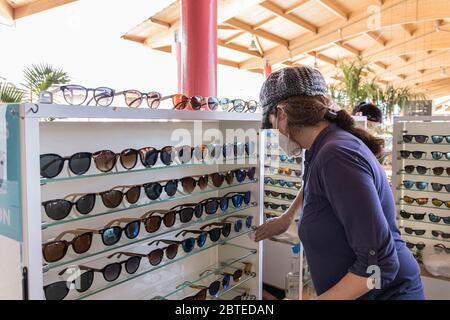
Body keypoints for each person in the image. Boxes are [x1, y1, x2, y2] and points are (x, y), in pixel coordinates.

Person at [255, 66, 424, 300]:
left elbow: (379, 264)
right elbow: (315, 184)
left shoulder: (336, 156)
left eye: (270, 124)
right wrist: (288, 217)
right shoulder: (323, 147)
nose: (273, 132)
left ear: (282, 115)